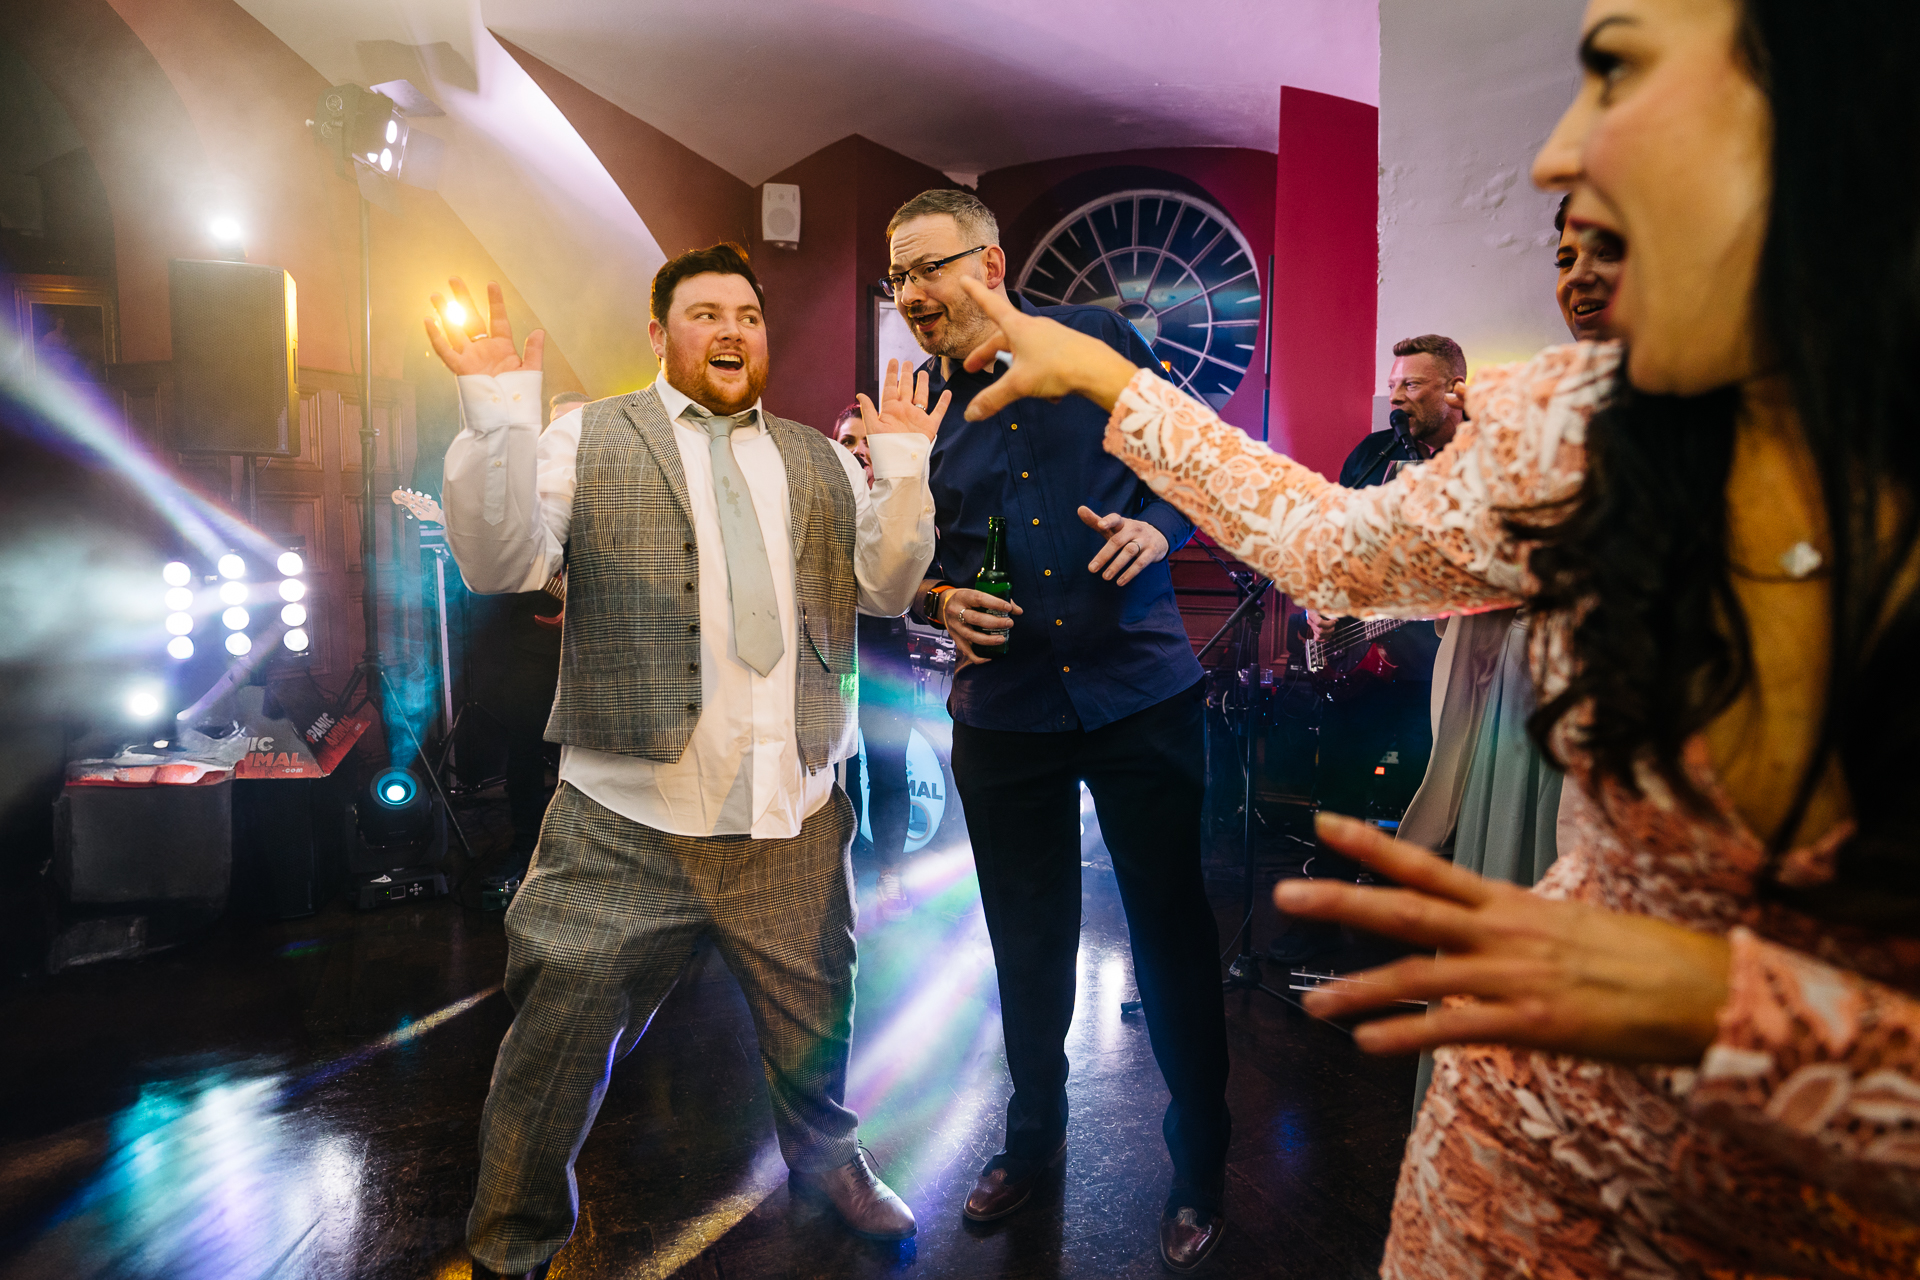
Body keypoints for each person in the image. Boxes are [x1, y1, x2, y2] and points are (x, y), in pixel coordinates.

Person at [943, 0, 1920, 1270]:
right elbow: (1338, 546)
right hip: (1492, 1175)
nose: (1562, 150)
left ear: (1828, 112)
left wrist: (1732, 1013)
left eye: (1616, 72)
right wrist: (1115, 380)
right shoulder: (1581, 428)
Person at [427, 243, 939, 1278]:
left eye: (747, 314)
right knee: (554, 1046)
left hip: (789, 809)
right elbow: (501, 559)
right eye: (706, 314)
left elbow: (887, 588)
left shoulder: (819, 458)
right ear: (660, 335)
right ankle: (510, 1242)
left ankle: (829, 1167)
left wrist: (904, 471)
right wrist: (495, 414)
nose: (732, 331)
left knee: (817, 1022)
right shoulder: (587, 437)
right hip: (626, 817)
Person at [883, 188, 1231, 1272]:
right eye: (896, 278)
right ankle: (1031, 1139)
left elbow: (1198, 456)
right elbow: (910, 563)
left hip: (1140, 691)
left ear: (988, 264)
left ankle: (1201, 1161)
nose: (909, 295)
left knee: (1173, 933)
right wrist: (944, 601)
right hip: (1009, 714)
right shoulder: (921, 409)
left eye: (924, 268)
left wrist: (1157, 523)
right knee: (1025, 946)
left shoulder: (1100, 340)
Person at [1399, 197, 1627, 1105]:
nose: (1579, 276)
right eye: (1566, 256)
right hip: (1518, 706)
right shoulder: (1543, 405)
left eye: (1613, 249)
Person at [835, 401, 915, 921]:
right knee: (840, 770)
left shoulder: (898, 503)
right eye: (848, 442)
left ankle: (890, 875)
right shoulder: (820, 500)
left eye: (868, 442)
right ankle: (846, 874)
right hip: (835, 652)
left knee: (888, 769)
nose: (860, 450)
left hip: (884, 648)